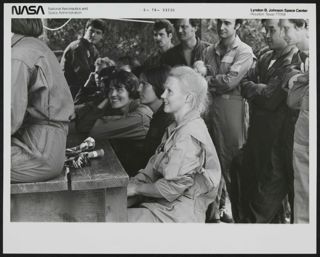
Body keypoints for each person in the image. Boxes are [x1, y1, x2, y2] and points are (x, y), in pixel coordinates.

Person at [126, 66, 221, 222]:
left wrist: (136, 189)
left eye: (169, 91)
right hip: (164, 206)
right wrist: (134, 184)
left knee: (111, 222)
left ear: (188, 98)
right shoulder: (176, 127)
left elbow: (171, 188)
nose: (162, 95)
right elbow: (154, 167)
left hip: (178, 215)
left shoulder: (188, 134)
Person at [233, 19, 299, 223]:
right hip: (256, 136)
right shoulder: (264, 56)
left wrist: (257, 89)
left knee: (265, 198)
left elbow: (271, 99)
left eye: (272, 29)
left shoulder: (294, 59)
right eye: (265, 29)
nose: (266, 34)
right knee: (240, 172)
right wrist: (260, 88)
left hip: (276, 141)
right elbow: (243, 83)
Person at [201, 19, 254, 222]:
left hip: (232, 109)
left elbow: (230, 82)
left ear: (237, 26)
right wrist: (212, 81)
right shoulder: (209, 51)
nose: (221, 27)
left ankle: (239, 215)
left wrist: (208, 80)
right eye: (219, 22)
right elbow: (206, 76)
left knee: (231, 161)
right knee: (209, 159)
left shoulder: (244, 51)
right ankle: (213, 211)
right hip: (210, 108)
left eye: (227, 23)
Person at [11, 19, 74, 183]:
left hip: (37, 152)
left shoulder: (18, 55)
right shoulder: (31, 46)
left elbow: (9, 118)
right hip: (45, 144)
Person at [75, 70, 153, 176]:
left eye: (119, 89)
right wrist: (108, 99)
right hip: (126, 172)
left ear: (132, 91)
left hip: (135, 178)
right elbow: (82, 121)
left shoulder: (139, 116)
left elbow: (91, 129)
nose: (113, 94)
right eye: (111, 90)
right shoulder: (125, 110)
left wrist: (107, 101)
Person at [279, 19, 309, 223]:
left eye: (286, 28)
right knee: (302, 196)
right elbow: (291, 96)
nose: (283, 34)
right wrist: (299, 77)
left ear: (303, 26)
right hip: (303, 136)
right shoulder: (299, 55)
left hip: (306, 137)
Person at [138, 65, 174, 166]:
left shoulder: (168, 119)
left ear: (161, 86)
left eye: (144, 84)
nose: (138, 89)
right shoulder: (160, 115)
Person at [60, 19, 105, 98]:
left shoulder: (93, 49)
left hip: (80, 90)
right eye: (91, 31)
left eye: (98, 32)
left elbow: (98, 70)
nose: (94, 35)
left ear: (102, 36)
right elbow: (85, 75)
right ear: (86, 30)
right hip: (69, 93)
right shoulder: (78, 47)